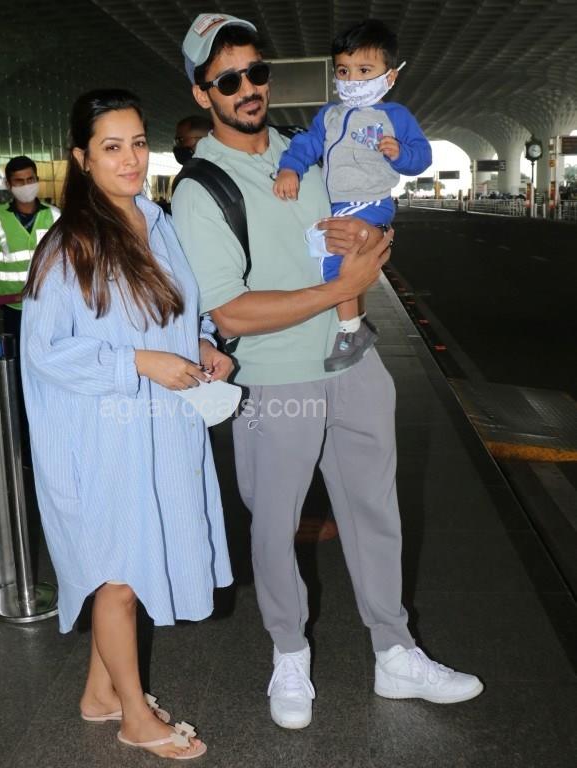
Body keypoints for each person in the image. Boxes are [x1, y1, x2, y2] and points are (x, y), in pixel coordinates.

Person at [172, 13, 483, 731]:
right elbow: (232, 311)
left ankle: (394, 651)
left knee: (377, 511)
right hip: (274, 380)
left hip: (354, 362)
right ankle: (289, 653)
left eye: (256, 72)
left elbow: (365, 220)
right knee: (274, 525)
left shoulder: (308, 148)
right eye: (228, 80)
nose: (248, 88)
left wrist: (373, 235)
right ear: (202, 94)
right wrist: (341, 288)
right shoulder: (200, 189)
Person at [20, 88, 234, 760]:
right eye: (112, 147)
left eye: (138, 143)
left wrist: (200, 343)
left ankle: (99, 693)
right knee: (119, 574)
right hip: (102, 436)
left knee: (134, 560)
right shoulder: (69, 245)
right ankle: (135, 718)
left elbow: (174, 310)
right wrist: (138, 363)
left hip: (159, 429)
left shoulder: (155, 222)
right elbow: (46, 352)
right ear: (82, 158)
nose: (131, 159)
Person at [273, 19, 431, 372]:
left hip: (369, 199)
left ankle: (350, 330)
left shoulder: (396, 116)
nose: (352, 79)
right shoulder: (329, 115)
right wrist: (289, 168)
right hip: (338, 201)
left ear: (389, 76)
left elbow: (422, 157)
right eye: (344, 70)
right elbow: (306, 144)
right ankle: (352, 320)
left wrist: (401, 153)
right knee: (323, 252)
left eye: (364, 70)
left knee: (333, 255)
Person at [0, 156, 60, 463]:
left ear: (37, 179)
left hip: (51, 311)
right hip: (12, 312)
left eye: (30, 179)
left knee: (52, 375)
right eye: (19, 181)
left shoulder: (55, 216)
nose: (26, 186)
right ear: (8, 184)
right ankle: (27, 448)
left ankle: (55, 438)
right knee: (18, 380)